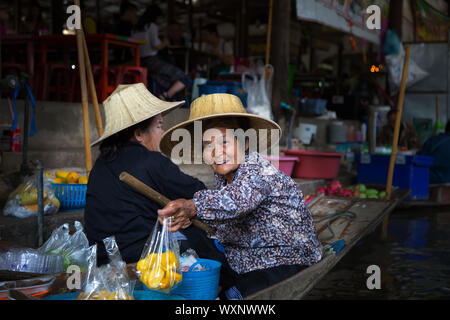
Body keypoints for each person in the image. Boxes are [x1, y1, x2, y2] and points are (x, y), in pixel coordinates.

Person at [157, 93, 323, 298]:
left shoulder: (257, 170)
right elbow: (221, 220)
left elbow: (238, 201)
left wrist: (192, 207)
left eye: (224, 142)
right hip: (244, 259)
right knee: (189, 239)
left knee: (243, 291)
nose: (216, 152)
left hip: (285, 261)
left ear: (244, 143)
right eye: (208, 145)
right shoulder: (223, 178)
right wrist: (188, 218)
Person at [84, 84, 236, 296]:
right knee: (198, 235)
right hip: (143, 260)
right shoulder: (150, 161)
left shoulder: (99, 166)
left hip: (102, 258)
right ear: (138, 133)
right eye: (159, 126)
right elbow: (198, 192)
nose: (162, 132)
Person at [132, 5, 191, 101]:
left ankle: (163, 96)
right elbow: (157, 46)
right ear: (156, 17)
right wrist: (165, 42)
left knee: (162, 78)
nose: (160, 21)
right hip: (152, 61)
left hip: (138, 60)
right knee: (184, 78)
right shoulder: (152, 26)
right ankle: (166, 96)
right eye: (160, 18)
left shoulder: (136, 28)